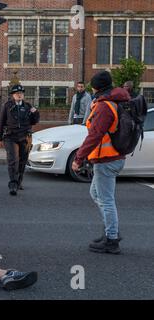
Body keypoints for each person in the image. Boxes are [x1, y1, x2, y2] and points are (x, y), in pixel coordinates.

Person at [72, 71, 129, 254]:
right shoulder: (112, 101)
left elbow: (95, 135)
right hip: (110, 157)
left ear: (97, 87)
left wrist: (78, 158)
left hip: (107, 159)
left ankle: (112, 239)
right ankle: (109, 231)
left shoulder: (105, 106)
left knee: (106, 200)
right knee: (96, 194)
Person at [0, 84, 40, 196]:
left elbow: (34, 121)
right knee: (13, 160)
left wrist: (36, 113)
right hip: (10, 137)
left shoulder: (27, 106)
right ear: (13, 95)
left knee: (22, 160)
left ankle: (19, 181)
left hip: (25, 137)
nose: (19, 95)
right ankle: (13, 184)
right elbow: (1, 122)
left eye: (21, 93)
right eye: (17, 93)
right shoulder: (7, 106)